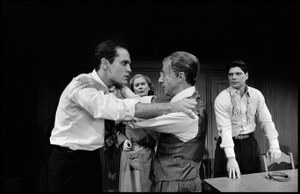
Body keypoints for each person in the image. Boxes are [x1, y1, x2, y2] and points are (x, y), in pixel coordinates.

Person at [47, 40, 197, 192]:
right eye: (124, 63)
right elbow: (118, 109)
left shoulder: (108, 89)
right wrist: (172, 107)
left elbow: (134, 103)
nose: (129, 69)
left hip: (91, 158)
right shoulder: (82, 84)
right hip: (70, 161)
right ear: (105, 63)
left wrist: (122, 88)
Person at [124, 51, 208, 192]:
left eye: (164, 74)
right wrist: (121, 87)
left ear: (180, 76)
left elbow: (135, 120)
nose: (160, 80)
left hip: (178, 185)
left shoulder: (189, 112)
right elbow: (141, 100)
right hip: (171, 181)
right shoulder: (180, 100)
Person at [213, 60, 282, 179]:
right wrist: (231, 158)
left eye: (238, 74)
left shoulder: (257, 95)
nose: (233, 77)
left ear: (246, 75)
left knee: (256, 182)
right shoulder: (222, 99)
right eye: (231, 74)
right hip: (228, 144)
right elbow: (225, 130)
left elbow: (266, 121)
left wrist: (274, 144)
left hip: (250, 144)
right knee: (226, 184)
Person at [119, 74, 159, 192]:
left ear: (148, 87)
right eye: (137, 85)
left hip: (151, 153)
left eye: (143, 84)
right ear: (133, 89)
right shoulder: (126, 105)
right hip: (132, 151)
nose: (140, 87)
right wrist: (122, 139)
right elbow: (113, 128)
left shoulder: (156, 104)